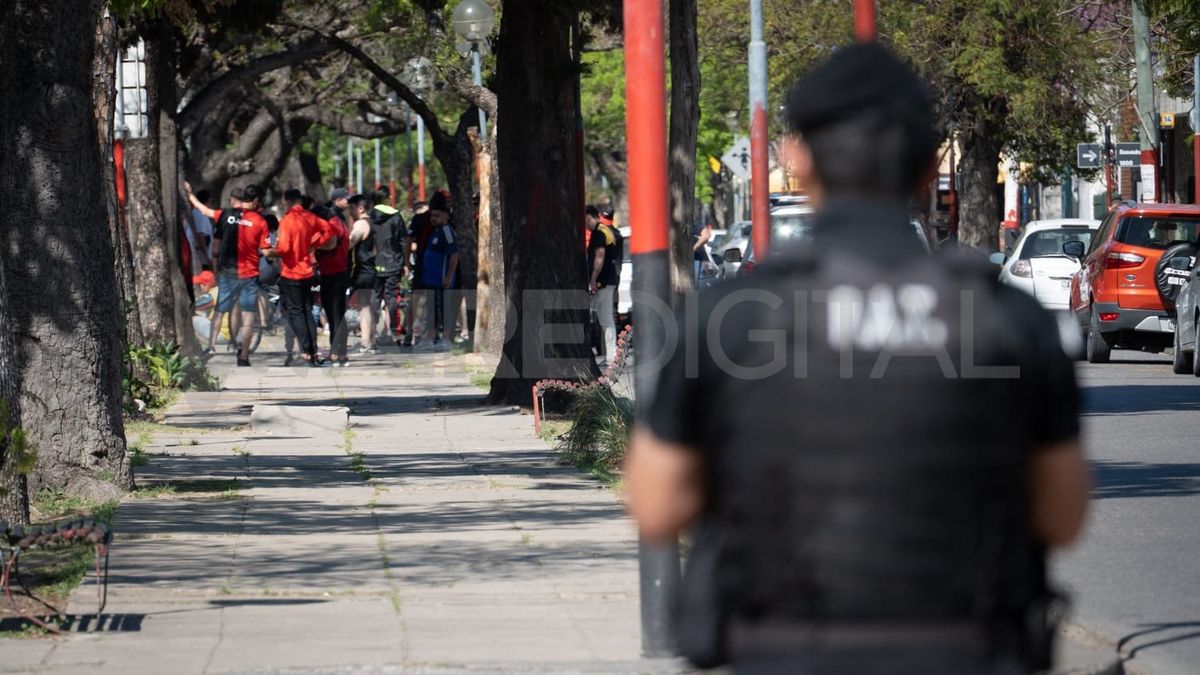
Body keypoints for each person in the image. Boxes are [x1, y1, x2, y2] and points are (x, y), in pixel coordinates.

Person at [624, 43, 1089, 675]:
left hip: (780, 651)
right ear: (929, 168)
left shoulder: (732, 318)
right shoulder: (1008, 318)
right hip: (966, 649)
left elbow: (657, 506)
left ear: (799, 160)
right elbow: (1061, 516)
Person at [185, 182, 269, 366]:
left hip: (228, 273)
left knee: (221, 310)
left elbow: (205, 211)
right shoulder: (261, 221)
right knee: (248, 315)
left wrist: (190, 195)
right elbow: (267, 250)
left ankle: (213, 346)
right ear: (255, 201)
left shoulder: (225, 214)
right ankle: (244, 355)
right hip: (249, 275)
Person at [263, 188, 337, 367]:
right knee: (307, 311)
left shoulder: (287, 221)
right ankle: (312, 352)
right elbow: (330, 230)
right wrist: (314, 244)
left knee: (295, 312)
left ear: (287, 201)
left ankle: (305, 352)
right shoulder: (310, 218)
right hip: (308, 272)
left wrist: (269, 251)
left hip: (291, 271)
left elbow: (284, 249)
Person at [369, 187, 408, 347]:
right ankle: (393, 331)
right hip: (393, 262)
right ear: (387, 198)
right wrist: (405, 263)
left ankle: (371, 332)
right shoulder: (396, 216)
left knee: (374, 297)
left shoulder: (369, 216)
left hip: (374, 263)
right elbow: (403, 241)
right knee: (391, 297)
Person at [317, 189, 352, 367]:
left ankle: (337, 354)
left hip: (333, 273)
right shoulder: (340, 222)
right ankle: (339, 353)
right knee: (337, 314)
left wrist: (313, 246)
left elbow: (330, 244)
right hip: (340, 270)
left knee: (334, 315)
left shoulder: (332, 225)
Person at [420, 191, 460, 346]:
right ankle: (432, 337)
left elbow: (454, 255)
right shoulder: (435, 231)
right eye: (431, 216)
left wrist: (448, 277)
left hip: (441, 280)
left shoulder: (447, 232)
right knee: (432, 310)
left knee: (444, 309)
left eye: (436, 216)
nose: (433, 219)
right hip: (431, 280)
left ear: (445, 215)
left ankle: (447, 338)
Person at [587, 207, 619, 366]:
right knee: (603, 318)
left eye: (587, 220)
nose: (585, 224)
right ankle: (611, 356)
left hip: (603, 282)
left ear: (593, 217)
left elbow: (599, 257)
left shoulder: (600, 233)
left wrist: (593, 279)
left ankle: (612, 357)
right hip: (607, 281)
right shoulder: (604, 231)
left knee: (605, 318)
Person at [346, 194, 378, 354]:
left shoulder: (360, 224)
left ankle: (365, 342)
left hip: (364, 270)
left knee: (363, 307)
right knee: (367, 307)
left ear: (360, 208)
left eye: (351, 208)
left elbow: (351, 242)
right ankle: (370, 341)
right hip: (371, 269)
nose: (349, 212)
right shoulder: (371, 222)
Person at [403, 200, 433, 347]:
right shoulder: (444, 218)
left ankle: (410, 333)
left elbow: (408, 240)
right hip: (433, 264)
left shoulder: (418, 219)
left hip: (421, 262)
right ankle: (427, 333)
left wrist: (407, 261)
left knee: (416, 298)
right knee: (431, 299)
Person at [191, 189, 215, 269]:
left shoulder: (198, 213)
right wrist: (208, 258)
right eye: (211, 202)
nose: (211, 205)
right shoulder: (200, 215)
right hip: (201, 260)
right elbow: (200, 237)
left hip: (202, 257)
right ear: (207, 201)